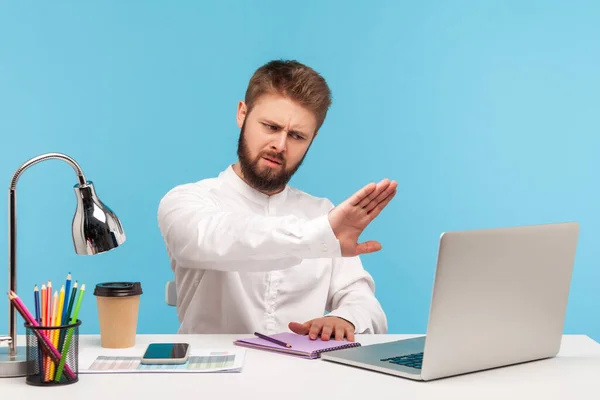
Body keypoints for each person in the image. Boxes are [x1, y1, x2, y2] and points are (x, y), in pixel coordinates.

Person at [157, 59, 397, 342]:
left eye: (297, 136)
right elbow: (218, 239)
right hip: (212, 376)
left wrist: (344, 318)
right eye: (271, 127)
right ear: (242, 114)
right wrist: (319, 235)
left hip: (302, 376)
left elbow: (363, 301)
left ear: (313, 139)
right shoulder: (186, 201)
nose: (280, 146)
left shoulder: (322, 213)